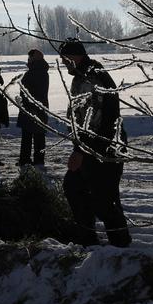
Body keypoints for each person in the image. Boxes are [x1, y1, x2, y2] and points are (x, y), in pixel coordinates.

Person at [60, 38, 131, 247]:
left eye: (65, 58)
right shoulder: (82, 76)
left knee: (104, 199)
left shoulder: (93, 78)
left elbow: (95, 120)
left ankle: (121, 247)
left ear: (76, 56)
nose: (63, 62)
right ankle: (87, 239)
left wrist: (80, 150)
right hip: (90, 145)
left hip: (104, 147)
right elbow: (78, 113)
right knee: (74, 188)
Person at [16, 49, 50, 167]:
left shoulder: (31, 73)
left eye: (29, 58)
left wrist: (26, 103)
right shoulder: (43, 72)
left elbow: (25, 92)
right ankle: (39, 159)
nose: (28, 60)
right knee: (39, 135)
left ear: (33, 59)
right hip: (41, 107)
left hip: (30, 107)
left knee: (27, 136)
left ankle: (25, 159)